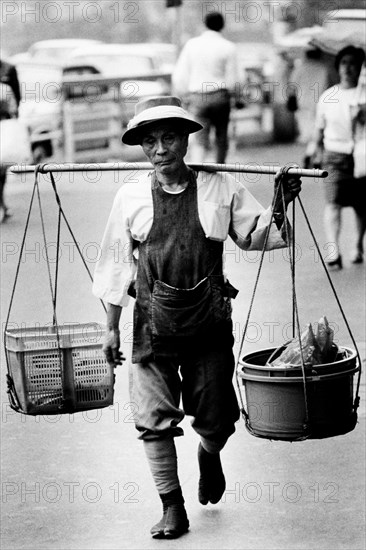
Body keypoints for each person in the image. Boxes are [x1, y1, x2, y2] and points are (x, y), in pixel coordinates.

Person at [92, 96, 302, 539]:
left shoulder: (219, 187)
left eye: (169, 137)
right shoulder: (130, 195)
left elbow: (254, 235)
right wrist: (110, 327)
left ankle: (210, 451)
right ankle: (172, 507)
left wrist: (281, 202)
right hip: (152, 327)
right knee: (153, 418)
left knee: (217, 418)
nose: (160, 148)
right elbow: (116, 265)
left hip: (208, 323)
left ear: (186, 139)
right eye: (150, 141)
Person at [305, 45, 366, 268]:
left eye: (353, 63)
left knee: (361, 206)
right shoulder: (328, 96)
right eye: (344, 63)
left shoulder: (364, 94)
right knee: (333, 203)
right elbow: (319, 129)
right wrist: (313, 150)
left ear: (361, 67)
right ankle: (333, 249)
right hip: (334, 155)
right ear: (338, 67)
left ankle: (358, 245)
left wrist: (362, 117)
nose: (348, 68)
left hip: (361, 157)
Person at [172, 11, 241, 164]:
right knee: (221, 136)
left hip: (198, 96)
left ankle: (198, 169)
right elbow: (234, 78)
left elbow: (180, 74)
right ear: (222, 25)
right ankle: (220, 169)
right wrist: (237, 96)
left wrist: (184, 94)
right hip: (221, 96)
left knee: (199, 137)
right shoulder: (229, 47)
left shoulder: (192, 45)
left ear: (205, 24)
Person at [0, 58, 21, 222]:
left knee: (2, 168)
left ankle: (1, 202)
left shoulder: (9, 69)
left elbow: (16, 101)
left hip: (3, 127)